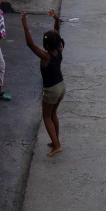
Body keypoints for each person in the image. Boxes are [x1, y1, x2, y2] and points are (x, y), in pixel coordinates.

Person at [21, 10, 66, 157]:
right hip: (61, 87)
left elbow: (30, 44)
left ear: (46, 45)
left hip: (51, 90)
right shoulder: (59, 50)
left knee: (46, 117)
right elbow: (57, 32)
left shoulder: (45, 57)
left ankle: (57, 145)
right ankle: (55, 141)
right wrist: (56, 19)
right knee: (54, 114)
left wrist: (25, 26)